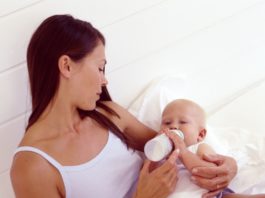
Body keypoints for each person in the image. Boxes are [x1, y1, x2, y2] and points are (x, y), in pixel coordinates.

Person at [10, 14, 237, 198]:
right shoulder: (32, 168)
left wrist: (227, 166)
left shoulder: (109, 114)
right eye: (100, 68)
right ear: (67, 66)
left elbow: (177, 146)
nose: (105, 80)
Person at [160, 99, 265, 198]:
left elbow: (211, 172)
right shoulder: (160, 155)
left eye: (183, 122)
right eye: (167, 123)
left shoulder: (199, 148)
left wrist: (183, 153)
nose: (173, 126)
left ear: (200, 134)